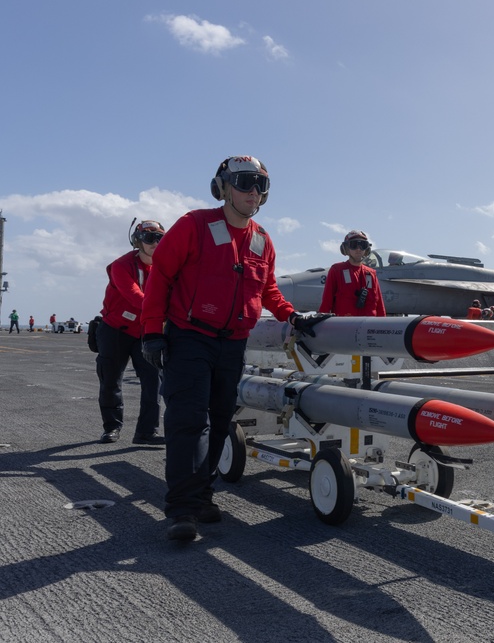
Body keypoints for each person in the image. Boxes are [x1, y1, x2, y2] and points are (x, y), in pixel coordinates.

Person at [141, 155, 328, 542]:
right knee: (189, 421)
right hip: (190, 336)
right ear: (222, 187)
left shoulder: (261, 239)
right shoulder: (194, 225)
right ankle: (182, 509)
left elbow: (267, 289)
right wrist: (151, 332)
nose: (253, 192)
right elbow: (161, 275)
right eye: (244, 183)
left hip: (233, 343)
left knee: (222, 420)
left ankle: (203, 494)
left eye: (261, 185)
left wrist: (292, 316)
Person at [96, 220, 166, 445]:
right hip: (115, 330)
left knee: (153, 382)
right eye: (149, 238)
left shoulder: (166, 267)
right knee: (110, 380)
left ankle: (146, 433)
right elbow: (135, 296)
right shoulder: (121, 265)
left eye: (160, 238)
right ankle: (112, 427)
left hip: (145, 330)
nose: (155, 242)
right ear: (138, 241)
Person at [318, 230, 386, 317]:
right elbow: (326, 302)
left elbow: (379, 305)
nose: (358, 249)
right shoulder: (336, 270)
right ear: (346, 248)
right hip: (345, 326)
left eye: (362, 245)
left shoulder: (371, 274)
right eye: (354, 245)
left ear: (366, 249)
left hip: (368, 327)